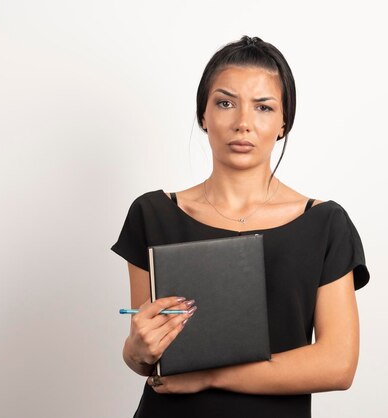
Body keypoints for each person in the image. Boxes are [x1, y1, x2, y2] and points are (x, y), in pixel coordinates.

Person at [110, 35, 370, 418]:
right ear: (203, 115)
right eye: (226, 103)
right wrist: (137, 348)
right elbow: (147, 360)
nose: (243, 123)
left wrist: (211, 376)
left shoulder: (325, 223)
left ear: (284, 123)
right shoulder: (153, 213)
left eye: (263, 107)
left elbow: (338, 364)